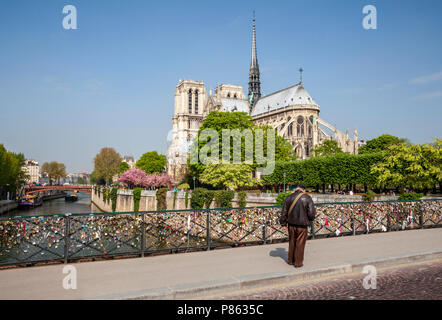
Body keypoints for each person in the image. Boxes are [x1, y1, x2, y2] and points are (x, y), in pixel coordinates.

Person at [279, 183, 316, 268]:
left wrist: (283, 223)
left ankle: (290, 260)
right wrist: (310, 220)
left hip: (291, 224)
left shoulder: (288, 197)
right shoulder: (307, 197)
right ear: (303, 189)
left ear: (295, 189)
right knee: (300, 243)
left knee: (292, 241)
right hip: (302, 225)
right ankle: (298, 262)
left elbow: (284, 212)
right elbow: (311, 213)